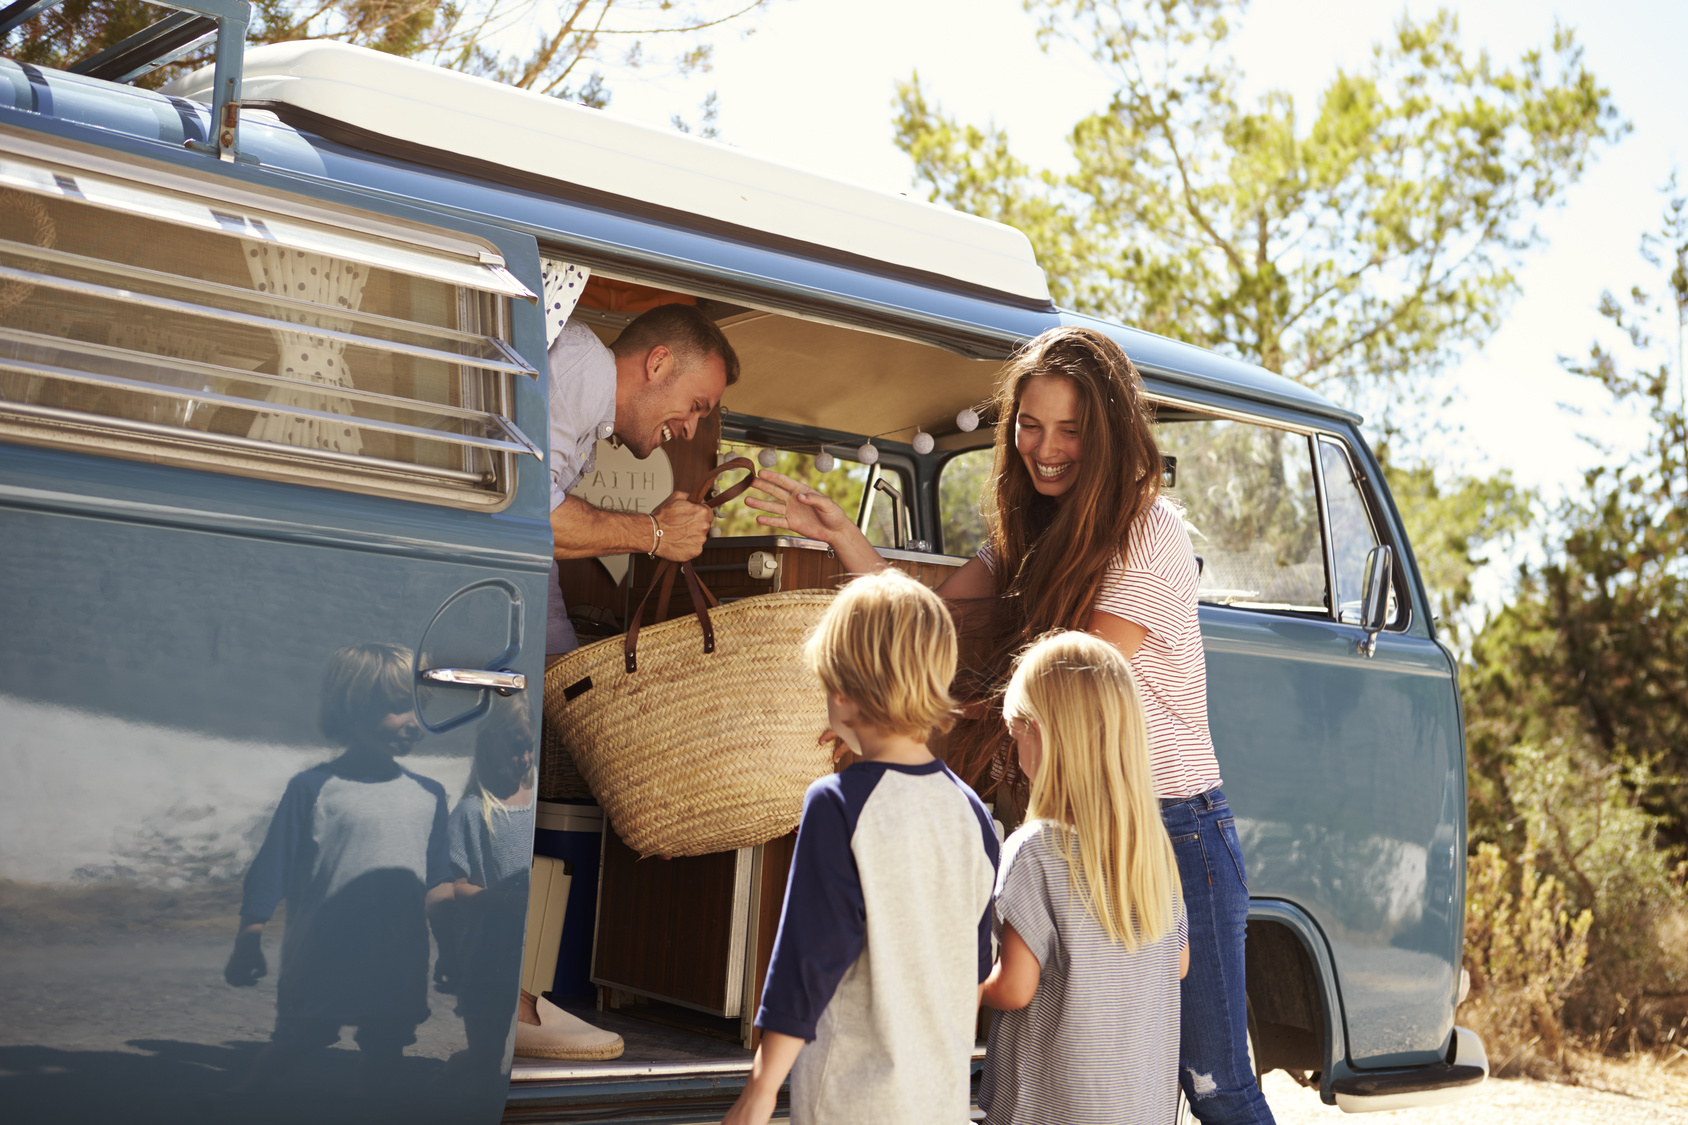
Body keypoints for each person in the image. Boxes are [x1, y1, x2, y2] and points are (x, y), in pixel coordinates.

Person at [747, 325, 1274, 1123]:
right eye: (1030, 425)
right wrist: (846, 540)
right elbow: (935, 623)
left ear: (1106, 431)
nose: (1046, 448)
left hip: (1168, 826)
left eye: (1069, 430)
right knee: (1072, 1057)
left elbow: (1070, 688)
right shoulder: (1027, 531)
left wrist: (904, 719)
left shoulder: (1147, 530)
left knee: (1214, 1083)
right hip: (1076, 820)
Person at [721, 569, 999, 1125]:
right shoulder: (972, 812)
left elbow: (807, 962)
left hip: (853, 1101)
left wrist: (759, 1092)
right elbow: (973, 969)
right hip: (938, 1102)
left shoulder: (838, 805)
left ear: (843, 690)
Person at [978, 630, 1188, 1125]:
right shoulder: (1152, 850)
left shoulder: (1034, 850)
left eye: (1016, 735)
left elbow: (1015, 988)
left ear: (1044, 735)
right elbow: (1177, 963)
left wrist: (957, 986)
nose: (1013, 755)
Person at [225, 643, 451, 1092]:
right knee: (298, 1039)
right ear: (352, 710)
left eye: (419, 708)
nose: (414, 721)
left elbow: (437, 881)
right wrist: (249, 938)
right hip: (322, 954)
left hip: (397, 956)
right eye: (398, 708)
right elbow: (274, 865)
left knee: (386, 1046)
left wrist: (451, 948)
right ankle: (242, 1102)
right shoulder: (313, 788)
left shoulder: (430, 794)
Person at [546, 303, 742, 655]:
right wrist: (657, 533)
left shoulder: (587, 402)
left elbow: (534, 552)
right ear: (657, 363)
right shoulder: (582, 368)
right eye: (695, 406)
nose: (690, 430)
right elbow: (527, 520)